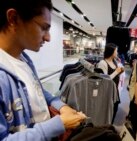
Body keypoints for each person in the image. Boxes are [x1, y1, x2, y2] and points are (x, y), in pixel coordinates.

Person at [0, 0, 86, 140]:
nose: (48, 37)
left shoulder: (24, 59)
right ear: (13, 19)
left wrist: (61, 106)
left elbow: (38, 91)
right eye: (43, 28)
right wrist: (59, 124)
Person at [97, 43, 124, 123]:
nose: (117, 53)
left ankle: (109, 126)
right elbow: (104, 79)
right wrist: (116, 72)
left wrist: (120, 72)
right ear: (111, 52)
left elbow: (114, 76)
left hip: (114, 90)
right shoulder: (103, 63)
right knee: (107, 112)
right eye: (116, 51)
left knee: (114, 109)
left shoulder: (114, 61)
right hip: (106, 92)